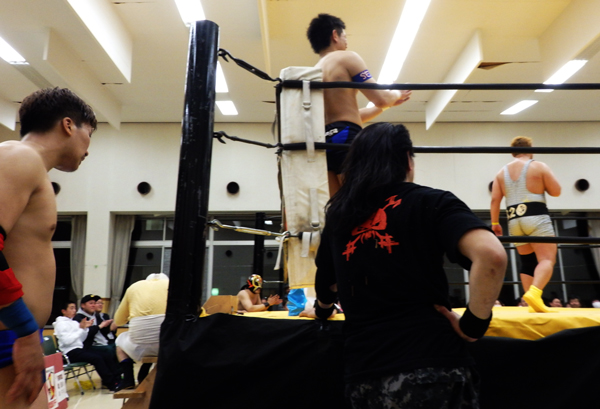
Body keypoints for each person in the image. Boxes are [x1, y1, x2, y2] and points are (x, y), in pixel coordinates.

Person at [301, 123, 506, 408]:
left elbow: (327, 283)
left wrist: (323, 311)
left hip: (365, 372)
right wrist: (473, 326)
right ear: (408, 160)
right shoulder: (431, 201)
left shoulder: (340, 215)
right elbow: (492, 256)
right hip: (431, 362)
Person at [0, 87, 96, 408]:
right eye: (89, 134)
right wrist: (26, 330)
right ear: (68, 125)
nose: (88, 149)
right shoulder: (19, 157)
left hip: (18, 332)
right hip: (13, 333)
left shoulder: (30, 168)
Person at [306, 13, 412, 196]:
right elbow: (381, 98)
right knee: (361, 199)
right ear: (335, 35)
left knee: (338, 204)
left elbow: (350, 115)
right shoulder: (347, 57)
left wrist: (386, 105)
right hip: (345, 135)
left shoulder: (312, 73)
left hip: (324, 139)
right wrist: (395, 94)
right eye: (345, 36)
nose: (346, 41)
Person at [490, 136, 561, 313]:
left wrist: (495, 223)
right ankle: (535, 293)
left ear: (512, 152)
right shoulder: (538, 166)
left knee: (527, 261)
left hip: (514, 220)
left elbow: (494, 200)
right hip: (536, 215)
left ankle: (532, 304)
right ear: (531, 150)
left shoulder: (501, 172)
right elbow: (556, 191)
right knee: (547, 259)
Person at [114, 273, 169, 389]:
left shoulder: (134, 287)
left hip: (140, 344)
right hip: (168, 345)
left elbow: (118, 321)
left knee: (120, 341)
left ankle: (128, 379)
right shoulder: (172, 286)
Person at [52, 301, 122, 391]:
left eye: (75, 308)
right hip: (70, 352)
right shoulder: (61, 324)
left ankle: (118, 379)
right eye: (71, 308)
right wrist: (81, 329)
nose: (74, 310)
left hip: (80, 349)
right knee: (96, 358)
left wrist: (85, 328)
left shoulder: (73, 322)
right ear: (63, 311)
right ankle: (111, 384)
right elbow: (67, 341)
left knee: (105, 354)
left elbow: (81, 338)